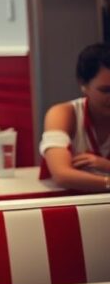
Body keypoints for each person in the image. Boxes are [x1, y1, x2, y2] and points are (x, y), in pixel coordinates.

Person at [40, 43, 110, 192]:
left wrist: (106, 165)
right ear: (83, 85)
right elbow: (62, 175)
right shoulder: (63, 114)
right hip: (69, 206)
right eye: (105, 90)